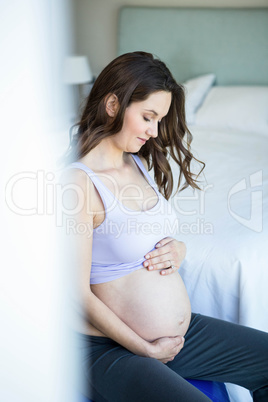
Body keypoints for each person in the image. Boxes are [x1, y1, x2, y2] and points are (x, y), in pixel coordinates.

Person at [61, 52, 268, 402]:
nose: (154, 131)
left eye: (160, 120)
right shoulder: (78, 185)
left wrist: (179, 249)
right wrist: (143, 347)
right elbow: (74, 294)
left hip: (173, 341)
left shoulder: (140, 164)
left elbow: (142, 234)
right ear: (113, 104)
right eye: (147, 117)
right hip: (109, 348)